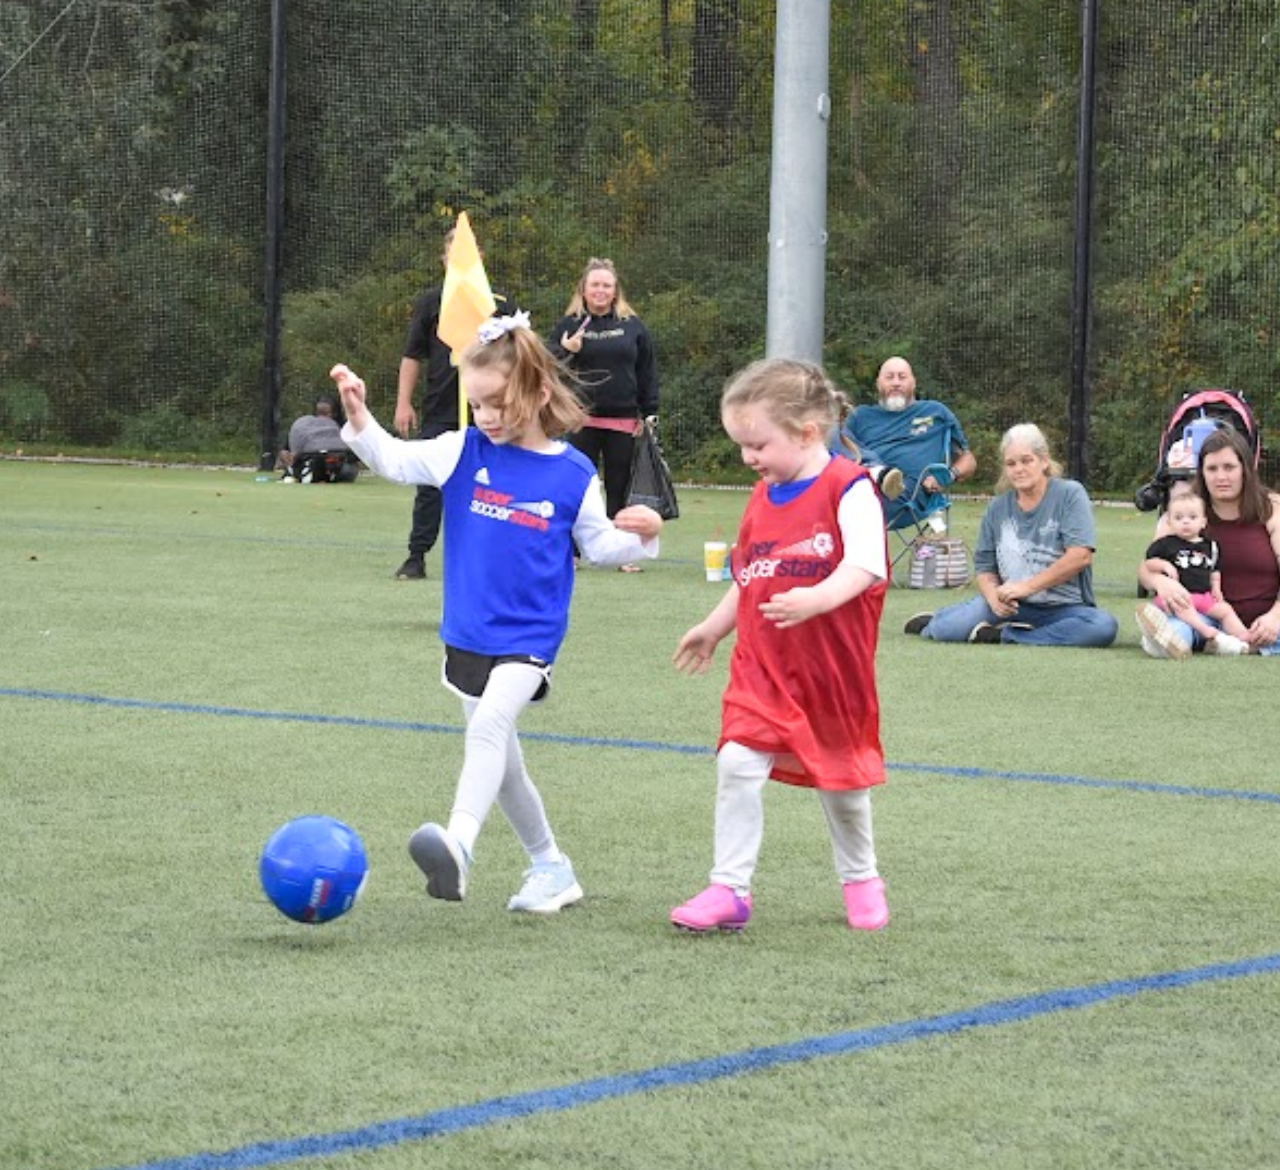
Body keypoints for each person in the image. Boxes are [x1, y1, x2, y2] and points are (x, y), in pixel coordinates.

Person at [330, 313, 663, 913]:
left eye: (495, 404)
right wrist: (360, 418)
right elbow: (395, 460)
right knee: (505, 767)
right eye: (476, 404)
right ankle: (551, 867)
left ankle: (458, 844)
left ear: (536, 392)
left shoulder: (573, 472)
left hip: (529, 640)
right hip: (466, 636)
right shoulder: (462, 450)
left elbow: (601, 546)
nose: (484, 416)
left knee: (487, 730)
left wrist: (643, 533)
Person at [670, 358, 891, 934]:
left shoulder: (850, 487)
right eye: (742, 445)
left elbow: (866, 566)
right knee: (738, 761)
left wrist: (816, 599)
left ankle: (861, 877)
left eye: (757, 444)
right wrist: (716, 626)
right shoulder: (761, 497)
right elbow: (751, 577)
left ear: (807, 432)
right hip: (763, 669)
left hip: (830, 672)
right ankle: (729, 889)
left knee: (841, 784)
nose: (748, 458)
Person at [903, 423, 1119, 647]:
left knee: (1103, 627)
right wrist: (993, 596)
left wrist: (1027, 587)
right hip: (1011, 604)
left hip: (1066, 609)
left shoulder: (1070, 494)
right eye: (1011, 463)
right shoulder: (997, 508)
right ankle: (938, 618)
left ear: (1044, 461)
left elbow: (1080, 556)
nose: (1019, 469)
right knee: (943, 631)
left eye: (1027, 460)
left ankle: (1005, 636)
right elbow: (985, 566)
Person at [393, 229, 518, 579]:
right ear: (444, 259)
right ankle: (417, 555)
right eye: (453, 254)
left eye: (468, 254)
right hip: (441, 408)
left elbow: (519, 357)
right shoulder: (431, 302)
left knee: (495, 483)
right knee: (431, 484)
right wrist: (404, 402)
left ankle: (495, 555)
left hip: (491, 411)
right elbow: (412, 355)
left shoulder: (499, 303)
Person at [548, 258, 659, 572]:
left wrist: (650, 413)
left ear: (615, 291)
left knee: (619, 486)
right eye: (594, 284)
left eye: (606, 285)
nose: (600, 290)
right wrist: (565, 349)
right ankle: (569, 552)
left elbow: (647, 370)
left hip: (623, 421)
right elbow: (546, 366)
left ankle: (621, 552)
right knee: (576, 486)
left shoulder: (632, 325)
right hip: (579, 419)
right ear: (583, 289)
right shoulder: (568, 325)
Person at [1137, 427, 1280, 659]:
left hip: (1267, 615)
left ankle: (1233, 644)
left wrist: (1275, 617)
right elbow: (1146, 567)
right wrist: (1159, 582)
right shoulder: (1184, 511)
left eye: (1229, 467)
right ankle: (1179, 639)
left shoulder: (1271, 507)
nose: (1221, 477)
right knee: (1178, 631)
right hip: (1202, 612)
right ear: (1201, 472)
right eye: (1212, 468)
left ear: (1245, 469)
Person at [841, 355, 977, 526]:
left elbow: (968, 459)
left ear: (913, 383)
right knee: (829, 429)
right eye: (889, 377)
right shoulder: (860, 416)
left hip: (909, 497)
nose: (896, 383)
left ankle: (880, 474)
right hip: (861, 489)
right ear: (878, 383)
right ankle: (877, 471)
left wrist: (949, 475)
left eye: (902, 377)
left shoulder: (935, 412)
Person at [1136, 484, 1250, 656]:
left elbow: (1214, 570)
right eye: (1179, 517)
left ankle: (1244, 638)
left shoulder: (1210, 545)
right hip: (1179, 597)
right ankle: (1205, 631)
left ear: (1203, 521)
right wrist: (1164, 565)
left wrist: (1216, 588)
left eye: (1192, 517)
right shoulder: (1166, 544)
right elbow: (1149, 563)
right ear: (1170, 522)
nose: (1186, 521)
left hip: (1204, 596)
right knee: (1184, 611)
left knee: (1225, 610)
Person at [278, 393, 357, 482]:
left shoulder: (344, 429)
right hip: (309, 461)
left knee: (347, 471)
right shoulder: (306, 427)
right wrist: (285, 454)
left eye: (327, 414)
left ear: (335, 413)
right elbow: (287, 448)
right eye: (319, 413)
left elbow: (355, 455)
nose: (322, 418)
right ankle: (306, 473)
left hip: (337, 466)